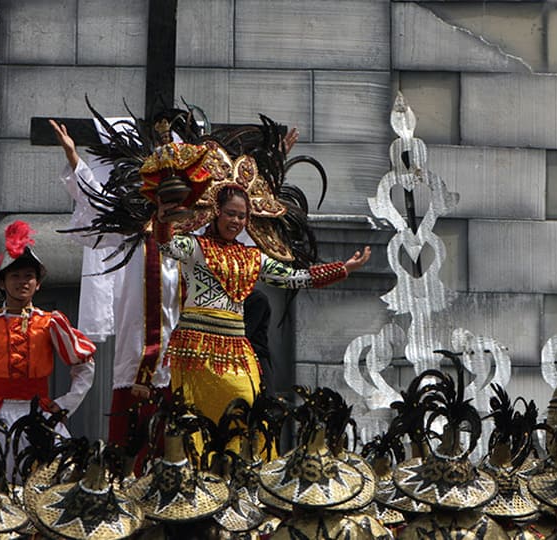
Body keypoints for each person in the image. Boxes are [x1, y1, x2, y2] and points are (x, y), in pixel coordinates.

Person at [154, 186, 372, 431]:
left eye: (242, 216)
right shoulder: (195, 247)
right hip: (198, 349)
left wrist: (343, 269)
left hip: (236, 349)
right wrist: (163, 220)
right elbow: (166, 244)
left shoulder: (253, 257)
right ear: (216, 212)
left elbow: (293, 277)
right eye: (230, 213)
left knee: (246, 407)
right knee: (196, 421)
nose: (236, 221)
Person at [51, 119, 179, 471]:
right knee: (131, 452)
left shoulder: (194, 235)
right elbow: (95, 205)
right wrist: (75, 159)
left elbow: (239, 225)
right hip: (137, 353)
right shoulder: (133, 228)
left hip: (185, 355)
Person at [0, 220, 96, 437]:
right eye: (15, 276)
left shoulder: (51, 322)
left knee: (55, 468)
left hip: (41, 415)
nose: (23, 282)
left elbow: (84, 365)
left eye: (29, 276)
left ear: (38, 283)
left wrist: (66, 404)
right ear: (2, 283)